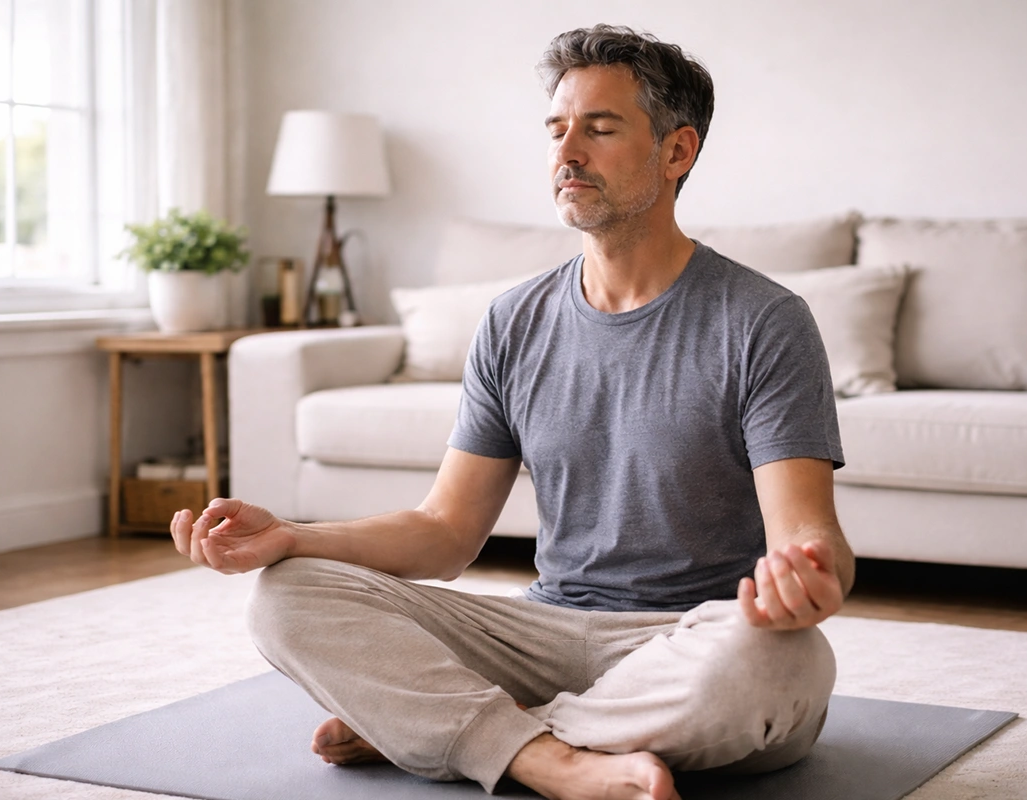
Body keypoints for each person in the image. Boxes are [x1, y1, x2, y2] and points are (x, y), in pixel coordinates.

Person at [171, 24, 853, 800]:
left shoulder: (763, 320)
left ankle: (470, 729)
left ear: (676, 152)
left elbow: (809, 535)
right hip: (543, 633)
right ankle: (553, 758)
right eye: (557, 129)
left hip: (692, 637)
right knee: (287, 595)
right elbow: (444, 532)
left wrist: (814, 576)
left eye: (600, 128)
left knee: (787, 660)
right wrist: (294, 536)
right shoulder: (513, 321)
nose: (568, 153)